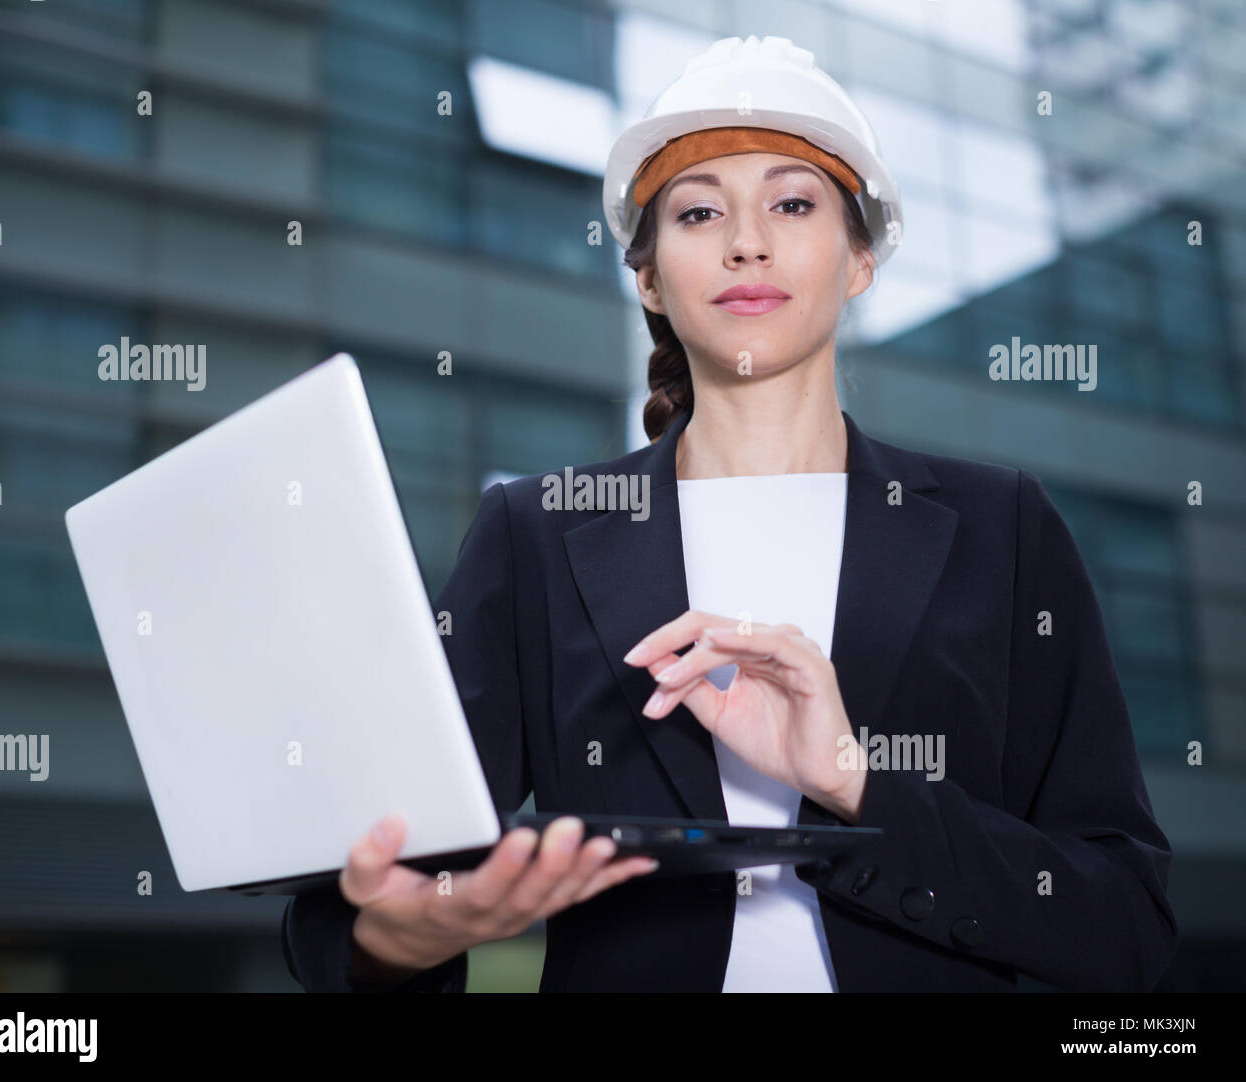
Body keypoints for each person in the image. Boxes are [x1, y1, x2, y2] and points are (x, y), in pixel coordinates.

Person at [281, 35, 1176, 993]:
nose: (747, 241)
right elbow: (354, 907)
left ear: (862, 257)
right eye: (700, 211)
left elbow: (1122, 921)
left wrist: (852, 780)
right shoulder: (536, 535)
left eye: (793, 203)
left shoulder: (1002, 530)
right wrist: (408, 937)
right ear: (652, 280)